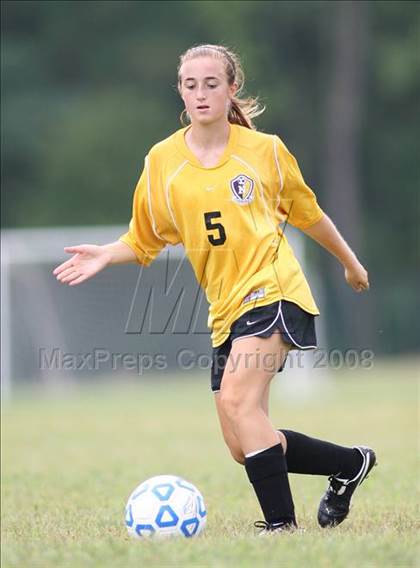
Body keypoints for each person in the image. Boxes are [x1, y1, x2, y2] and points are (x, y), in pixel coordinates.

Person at [53, 44, 376, 533]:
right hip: (225, 310)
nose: (200, 93)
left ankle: (281, 528)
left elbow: (308, 214)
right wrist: (105, 252)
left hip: (275, 291)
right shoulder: (162, 161)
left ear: (231, 90)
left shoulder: (265, 150)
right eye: (190, 85)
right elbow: (143, 239)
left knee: (237, 403)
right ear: (180, 93)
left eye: (211, 84)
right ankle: (351, 463)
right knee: (243, 443)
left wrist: (351, 264)